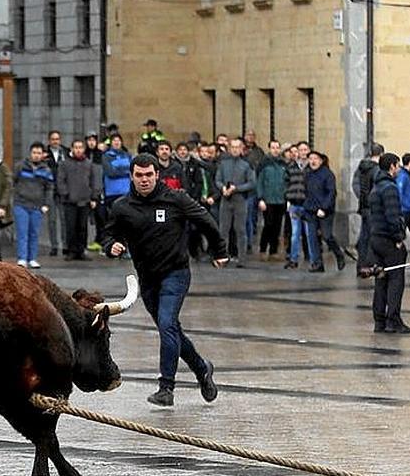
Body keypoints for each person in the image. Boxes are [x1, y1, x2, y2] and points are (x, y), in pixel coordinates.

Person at [101, 153, 228, 407]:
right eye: (139, 175)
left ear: (157, 175)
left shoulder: (176, 199)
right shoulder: (123, 207)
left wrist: (219, 251)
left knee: (167, 323)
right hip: (148, 279)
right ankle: (202, 369)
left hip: (176, 273)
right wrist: (111, 245)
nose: (145, 180)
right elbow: (108, 234)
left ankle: (166, 388)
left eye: (149, 175)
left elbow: (206, 221)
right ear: (132, 177)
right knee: (171, 330)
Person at [367, 153, 410, 334]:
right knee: (395, 279)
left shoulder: (376, 186)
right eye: (398, 165)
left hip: (376, 237)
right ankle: (393, 319)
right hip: (388, 240)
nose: (399, 169)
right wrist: (399, 237)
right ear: (392, 166)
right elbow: (393, 216)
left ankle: (379, 320)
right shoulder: (389, 188)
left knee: (381, 279)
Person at [215, 138, 256, 268]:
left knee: (241, 230)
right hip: (225, 199)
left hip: (240, 200)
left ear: (242, 149)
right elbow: (217, 179)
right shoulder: (223, 164)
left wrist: (236, 188)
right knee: (223, 230)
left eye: (237, 147)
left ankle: (242, 259)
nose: (235, 149)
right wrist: (222, 188)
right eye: (232, 147)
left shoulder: (246, 165)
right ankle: (222, 257)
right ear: (229, 148)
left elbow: (251, 183)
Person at [57, 139, 101, 261]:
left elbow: (93, 181)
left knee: (83, 228)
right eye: (75, 147)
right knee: (70, 227)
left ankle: (81, 250)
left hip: (85, 200)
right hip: (70, 201)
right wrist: (65, 194)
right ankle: (71, 251)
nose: (78, 150)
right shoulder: (64, 164)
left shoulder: (88, 164)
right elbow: (60, 180)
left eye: (80, 147)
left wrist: (93, 197)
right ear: (71, 149)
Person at [13, 142, 54, 269]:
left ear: (42, 155)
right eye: (34, 153)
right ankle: (22, 258)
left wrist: (47, 203)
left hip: (37, 206)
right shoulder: (20, 166)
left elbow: (49, 188)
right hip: (21, 204)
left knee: (34, 233)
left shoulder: (46, 170)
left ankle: (32, 258)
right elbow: (12, 182)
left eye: (39, 153)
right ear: (30, 153)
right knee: (22, 232)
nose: (36, 155)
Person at [303, 151, 346, 272]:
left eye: (315, 158)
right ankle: (317, 263)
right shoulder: (307, 174)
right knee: (312, 238)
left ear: (321, 160)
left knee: (327, 236)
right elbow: (305, 191)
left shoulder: (327, 174)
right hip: (311, 210)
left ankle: (339, 254)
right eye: (310, 158)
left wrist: (324, 208)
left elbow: (331, 193)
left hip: (325, 211)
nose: (312, 161)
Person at [352, 143, 383, 272]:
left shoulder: (361, 168)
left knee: (364, 235)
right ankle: (368, 264)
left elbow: (355, 185)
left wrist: (362, 197)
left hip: (363, 206)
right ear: (381, 154)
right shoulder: (377, 170)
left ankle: (361, 263)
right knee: (372, 236)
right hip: (373, 208)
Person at [256, 140, 287, 260]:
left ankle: (274, 250)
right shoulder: (264, 164)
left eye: (277, 148)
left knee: (277, 226)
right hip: (267, 199)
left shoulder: (283, 164)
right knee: (268, 225)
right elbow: (260, 182)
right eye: (273, 147)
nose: (275, 150)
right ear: (269, 149)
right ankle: (263, 248)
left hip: (280, 200)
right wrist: (260, 198)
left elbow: (286, 181)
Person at [284, 142, 310, 269]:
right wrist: (288, 197)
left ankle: (311, 257)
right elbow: (285, 183)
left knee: (309, 233)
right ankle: (293, 259)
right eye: (301, 150)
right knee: (295, 234)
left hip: (308, 204)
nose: (303, 152)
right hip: (294, 203)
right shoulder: (291, 167)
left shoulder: (311, 167)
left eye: (305, 149)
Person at [45, 130, 70, 256]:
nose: (55, 141)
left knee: (64, 220)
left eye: (57, 139)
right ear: (49, 141)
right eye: (53, 139)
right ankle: (54, 246)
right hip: (50, 190)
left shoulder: (66, 152)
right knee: (52, 220)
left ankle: (65, 245)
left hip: (64, 190)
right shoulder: (45, 153)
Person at [395, 153, 410, 256]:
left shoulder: (405, 175)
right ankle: (396, 253)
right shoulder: (403, 176)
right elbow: (399, 192)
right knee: (401, 234)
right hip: (405, 210)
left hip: (409, 209)